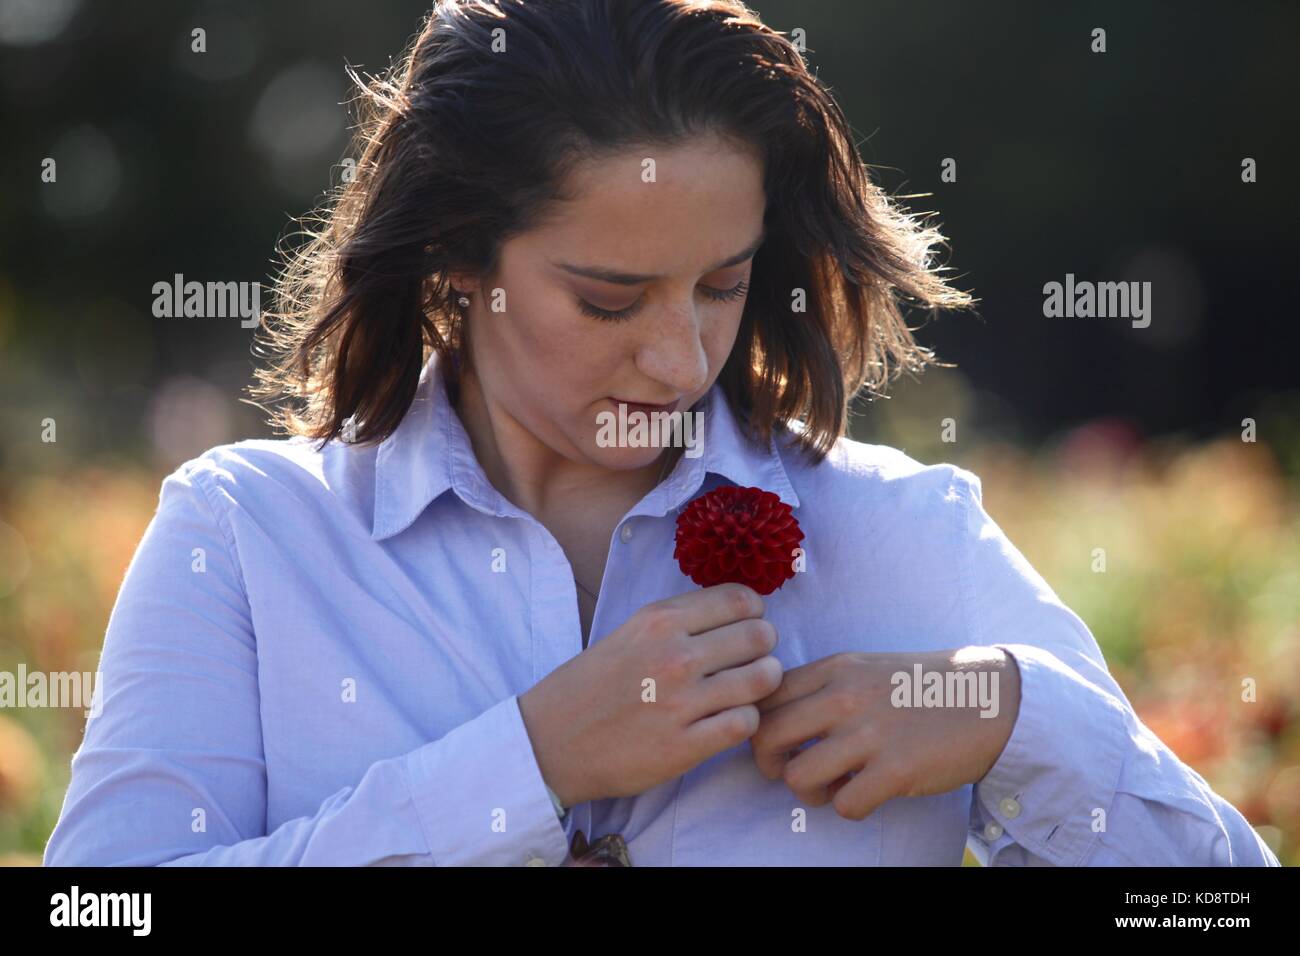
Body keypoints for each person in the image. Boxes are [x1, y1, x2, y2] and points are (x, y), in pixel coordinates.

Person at [43, 0, 1278, 866]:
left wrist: (1017, 717)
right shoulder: (249, 535)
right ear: (456, 258)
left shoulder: (904, 533)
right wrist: (523, 765)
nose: (682, 359)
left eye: (723, 284)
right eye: (607, 298)